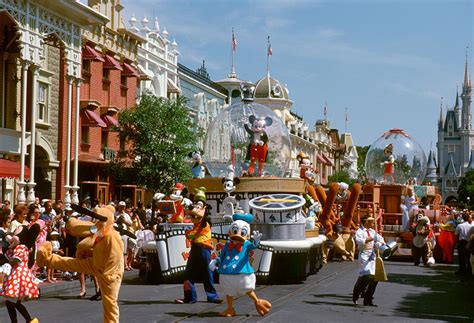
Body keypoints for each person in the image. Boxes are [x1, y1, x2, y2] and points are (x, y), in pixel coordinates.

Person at [352, 215, 385, 306]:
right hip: (364, 254)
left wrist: (379, 243)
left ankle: (368, 299)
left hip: (373, 254)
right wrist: (372, 238)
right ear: (365, 222)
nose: (372, 223)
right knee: (367, 275)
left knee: (375, 278)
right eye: (370, 221)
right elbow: (360, 241)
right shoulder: (360, 232)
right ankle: (356, 294)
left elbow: (381, 240)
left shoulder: (373, 231)